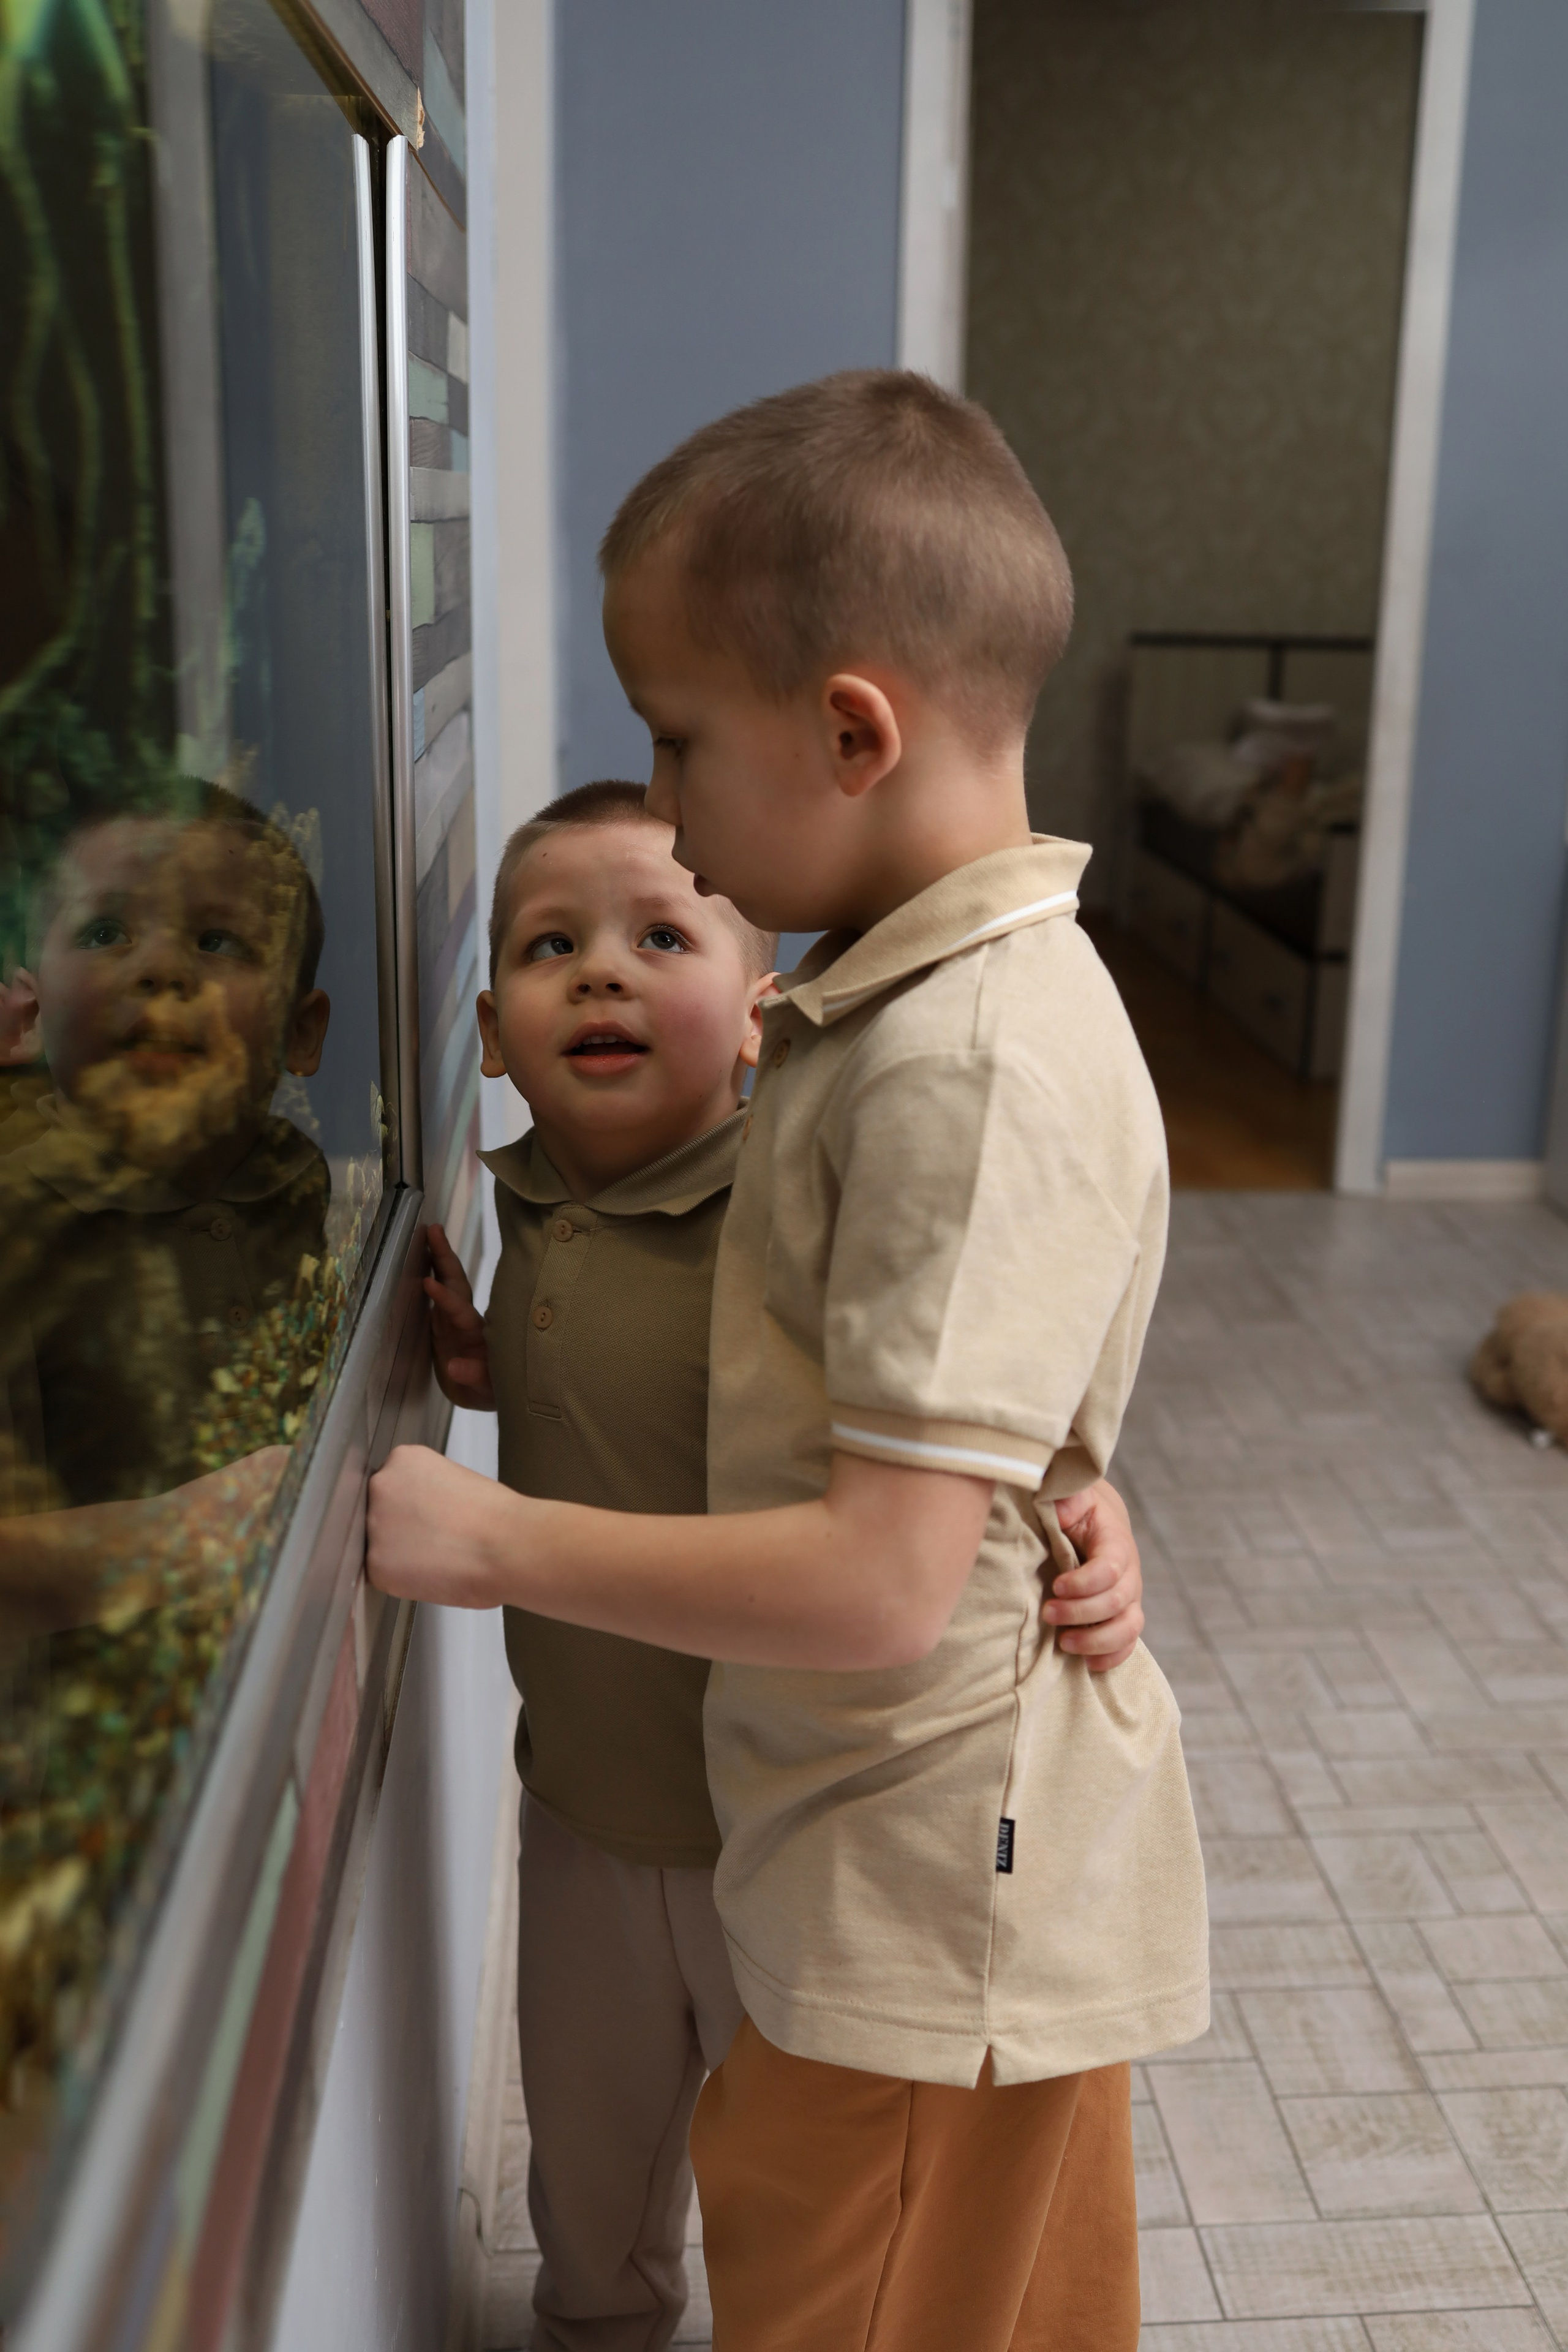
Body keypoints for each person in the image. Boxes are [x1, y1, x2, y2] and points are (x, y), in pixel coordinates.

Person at [369, 370, 1207, 2351]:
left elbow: (879, 1579)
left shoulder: (969, 1065)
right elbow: (915, 1380)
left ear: (850, 735)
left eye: (678, 739)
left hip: (923, 1915)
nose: (663, 804)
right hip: (869, 1874)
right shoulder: (882, 1013)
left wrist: (490, 1544)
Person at [420, 778, 1150, 2352]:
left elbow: (962, 1405)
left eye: (657, 935)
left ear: (761, 1017)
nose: (601, 972)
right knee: (593, 2161)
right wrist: (487, 1369)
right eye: (554, 946)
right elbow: (606, 1382)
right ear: (490, 1030)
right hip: (582, 1813)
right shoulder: (521, 1204)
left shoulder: (786, 1205)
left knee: (788, 2185)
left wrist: (1090, 1506)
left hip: (789, 1827)